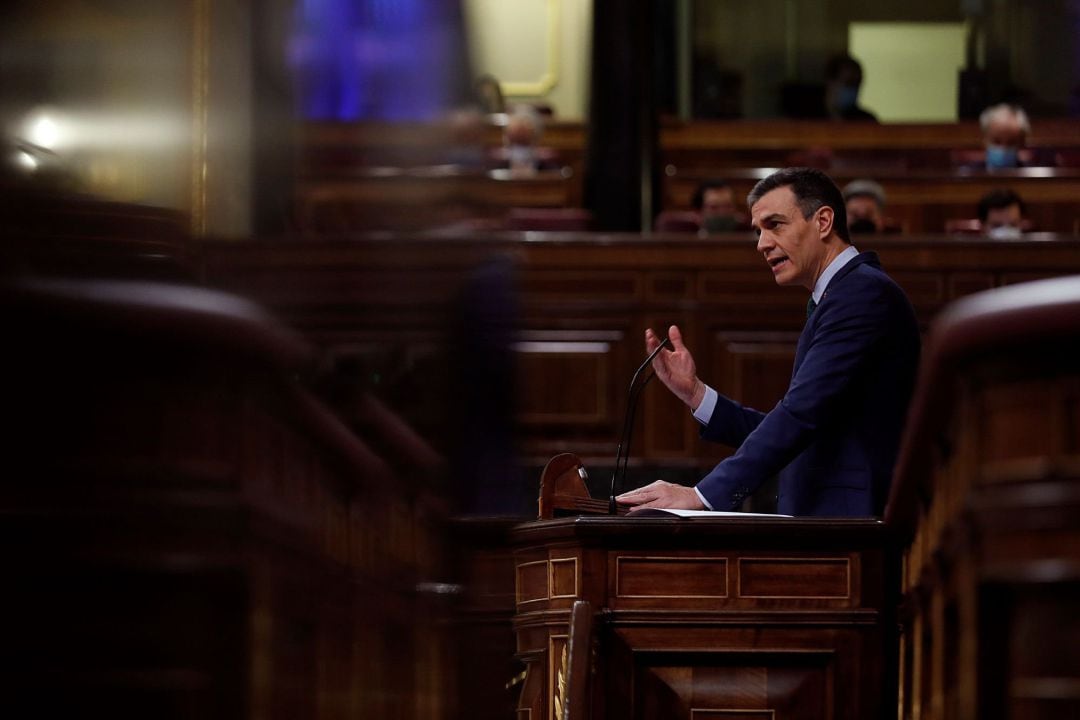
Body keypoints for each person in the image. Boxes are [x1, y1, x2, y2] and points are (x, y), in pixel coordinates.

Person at [617, 167, 920, 517]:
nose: (762, 244)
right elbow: (803, 425)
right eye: (758, 231)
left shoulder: (862, 294)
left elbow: (800, 415)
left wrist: (703, 495)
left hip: (851, 521)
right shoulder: (843, 295)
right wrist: (696, 394)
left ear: (823, 221)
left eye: (774, 225)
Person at [824, 53, 877, 122]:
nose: (853, 89)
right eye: (849, 83)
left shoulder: (866, 121)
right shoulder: (809, 118)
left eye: (857, 84)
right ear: (831, 82)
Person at [979, 103, 1031, 169]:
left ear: (1021, 143)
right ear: (985, 140)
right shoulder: (969, 174)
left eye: (1011, 143)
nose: (1003, 149)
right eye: (997, 142)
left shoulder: (1029, 175)